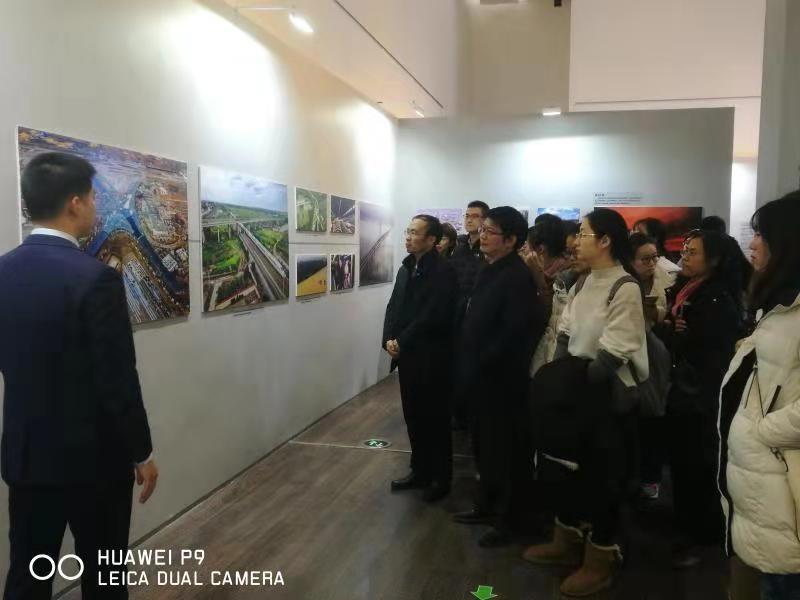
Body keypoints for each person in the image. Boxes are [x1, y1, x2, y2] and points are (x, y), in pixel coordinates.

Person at [0, 152, 158, 600]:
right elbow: (117, 380)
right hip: (96, 464)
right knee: (104, 577)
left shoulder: (3, 273)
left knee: (27, 577)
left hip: (28, 458)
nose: (94, 206)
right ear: (74, 203)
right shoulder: (96, 279)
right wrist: (142, 452)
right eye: (91, 197)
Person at [524, 208, 648, 597]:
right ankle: (566, 540)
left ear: (606, 240)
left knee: (603, 479)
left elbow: (617, 349)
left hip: (604, 397)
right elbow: (566, 331)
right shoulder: (584, 282)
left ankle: (600, 560)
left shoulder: (624, 286)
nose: (575, 241)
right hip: (577, 391)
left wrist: (573, 381)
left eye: (583, 233)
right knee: (566, 470)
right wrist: (560, 378)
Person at [718, 191, 800, 600]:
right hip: (767, 485)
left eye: (761, 235)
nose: (752, 244)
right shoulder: (780, 307)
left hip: (783, 483)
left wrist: (762, 431)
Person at [452, 207, 545, 547]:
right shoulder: (489, 268)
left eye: (490, 231)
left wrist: (481, 363)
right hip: (480, 378)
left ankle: (510, 519)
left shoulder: (517, 277)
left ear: (511, 240)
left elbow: (512, 334)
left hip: (501, 381)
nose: (483, 235)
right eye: (483, 229)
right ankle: (487, 504)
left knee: (507, 452)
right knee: (485, 447)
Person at [656, 229, 743, 568]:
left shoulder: (717, 298)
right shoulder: (687, 289)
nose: (685, 257)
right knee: (682, 460)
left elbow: (709, 350)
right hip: (683, 388)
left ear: (714, 260)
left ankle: (701, 534)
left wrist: (678, 334)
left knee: (698, 462)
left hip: (701, 393)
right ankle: (686, 523)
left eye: (693, 253)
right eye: (685, 251)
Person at [383, 215, 457, 503]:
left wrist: (401, 340)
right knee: (413, 415)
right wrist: (388, 339)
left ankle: (440, 478)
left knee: (435, 419)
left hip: (432, 356)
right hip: (408, 356)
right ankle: (420, 470)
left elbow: (432, 314)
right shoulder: (407, 267)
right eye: (408, 231)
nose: (409, 237)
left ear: (431, 239)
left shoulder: (443, 271)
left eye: (415, 233)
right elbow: (395, 306)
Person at [450, 201, 490, 429]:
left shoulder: (486, 250)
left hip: (475, 315)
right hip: (456, 314)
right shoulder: (460, 247)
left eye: (475, 216)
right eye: (467, 215)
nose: (469, 219)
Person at [523, 218, 569, 322]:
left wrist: (538, 276)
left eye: (526, 245)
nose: (523, 249)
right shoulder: (556, 268)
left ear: (540, 249)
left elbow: (546, 315)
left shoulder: (565, 277)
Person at [629, 232, 670, 327]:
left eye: (654, 257)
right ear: (630, 261)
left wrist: (655, 313)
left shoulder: (667, 277)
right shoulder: (622, 283)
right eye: (646, 259)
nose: (652, 263)